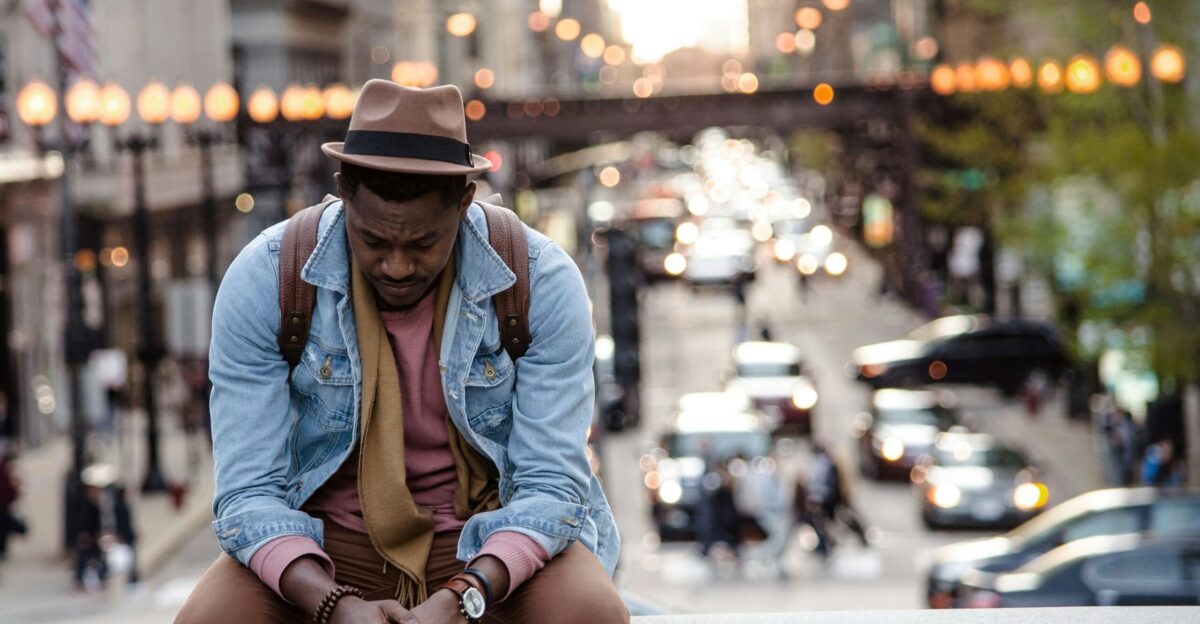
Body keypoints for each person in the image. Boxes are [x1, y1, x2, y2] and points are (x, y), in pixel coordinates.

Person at [177, 81, 625, 624]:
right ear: (343, 192)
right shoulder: (267, 278)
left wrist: (465, 595)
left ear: (464, 203)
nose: (396, 266)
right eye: (373, 240)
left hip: (487, 539)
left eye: (420, 244)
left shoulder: (541, 280)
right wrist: (329, 602)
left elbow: (551, 487)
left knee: (590, 610)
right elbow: (248, 494)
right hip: (322, 545)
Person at [806, 442, 868, 557]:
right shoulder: (827, 463)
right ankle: (828, 544)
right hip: (831, 498)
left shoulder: (825, 464)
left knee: (837, 518)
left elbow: (824, 483)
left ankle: (828, 544)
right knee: (826, 522)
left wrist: (817, 497)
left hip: (831, 498)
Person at [0, 441, 22, 561]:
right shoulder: (3, 469)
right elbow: (9, 487)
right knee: (3, 528)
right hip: (3, 503)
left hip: (3, 503)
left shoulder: (4, 469)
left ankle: (2, 551)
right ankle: (2, 551)